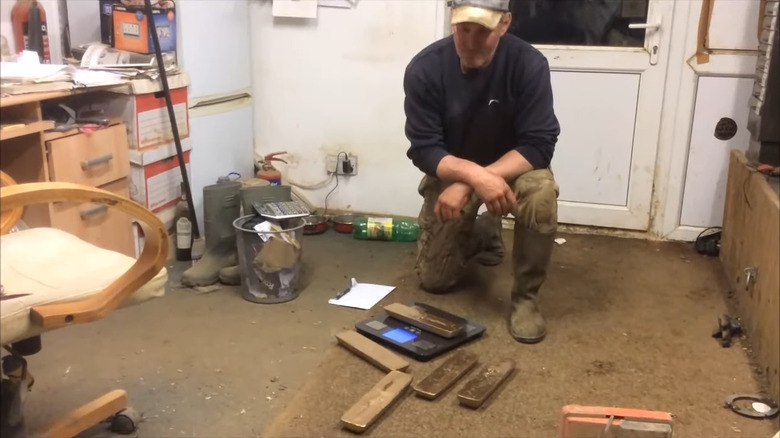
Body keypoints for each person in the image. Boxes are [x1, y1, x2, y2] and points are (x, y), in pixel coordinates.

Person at [403, 0, 560, 343]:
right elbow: (424, 147)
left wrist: (480, 179)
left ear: (504, 24)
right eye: (463, 30)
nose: (471, 41)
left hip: (514, 166)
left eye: (483, 31)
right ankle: (484, 233)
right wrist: (471, 179)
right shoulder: (425, 69)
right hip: (454, 170)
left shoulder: (528, 64)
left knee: (540, 193)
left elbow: (539, 144)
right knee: (435, 280)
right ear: (451, 22)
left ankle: (526, 299)